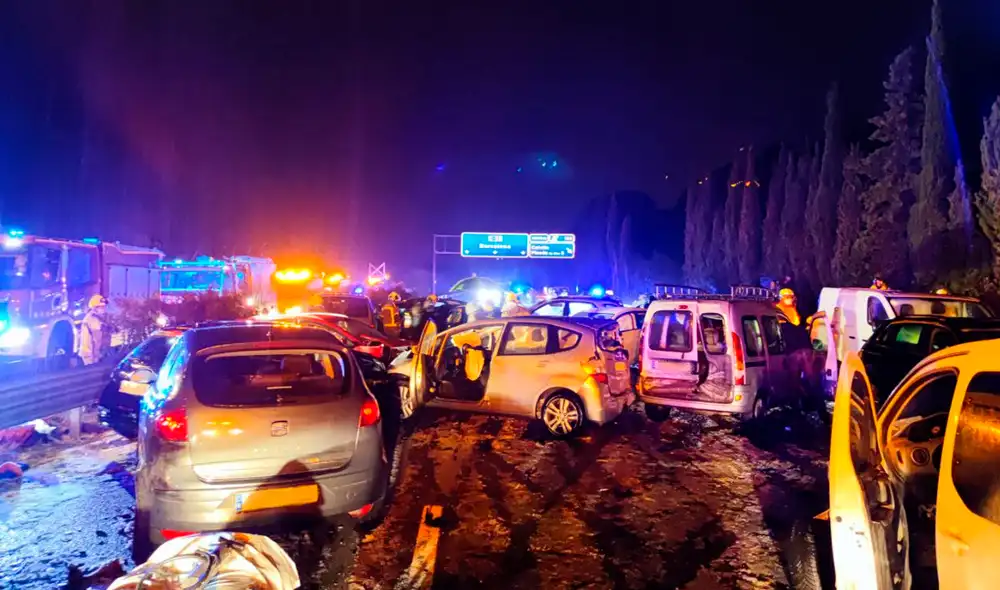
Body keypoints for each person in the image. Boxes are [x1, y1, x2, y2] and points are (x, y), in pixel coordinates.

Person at [79, 294, 108, 365]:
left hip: (90, 353)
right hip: (90, 355)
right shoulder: (92, 319)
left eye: (104, 306)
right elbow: (97, 339)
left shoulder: (93, 317)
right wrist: (98, 355)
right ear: (95, 308)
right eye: (101, 307)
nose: (103, 309)